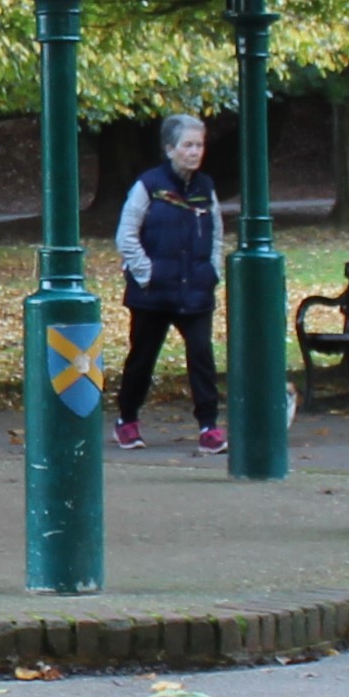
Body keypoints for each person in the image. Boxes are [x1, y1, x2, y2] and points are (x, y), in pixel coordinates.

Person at [109, 112, 223, 454]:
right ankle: (127, 419)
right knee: (142, 358)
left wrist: (211, 271)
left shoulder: (206, 188)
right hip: (153, 294)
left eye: (199, 145)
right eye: (188, 145)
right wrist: (147, 273)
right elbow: (126, 235)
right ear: (170, 149)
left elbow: (216, 233)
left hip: (195, 290)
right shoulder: (148, 186)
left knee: (202, 356)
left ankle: (209, 426)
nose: (195, 152)